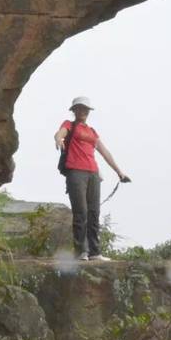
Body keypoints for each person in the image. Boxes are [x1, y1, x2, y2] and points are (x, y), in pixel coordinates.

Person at [54, 96, 130, 261]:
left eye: (85, 109)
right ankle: (81, 251)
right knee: (81, 211)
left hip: (93, 173)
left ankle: (95, 252)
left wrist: (119, 172)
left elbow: (104, 152)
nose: (83, 111)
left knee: (94, 212)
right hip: (76, 172)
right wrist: (58, 139)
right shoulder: (70, 124)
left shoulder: (92, 131)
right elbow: (60, 133)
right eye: (80, 108)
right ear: (74, 110)